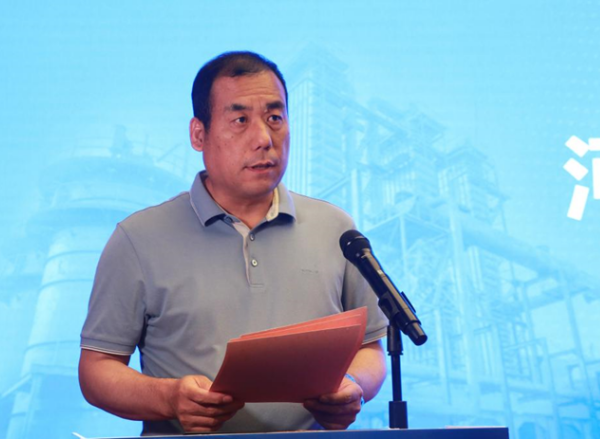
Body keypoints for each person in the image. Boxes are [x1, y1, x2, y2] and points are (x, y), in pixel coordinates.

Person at [79, 51, 388, 435]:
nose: (263, 139)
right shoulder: (138, 238)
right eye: (240, 120)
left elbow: (371, 347)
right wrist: (169, 398)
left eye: (275, 118)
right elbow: (97, 369)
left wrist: (354, 385)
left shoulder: (337, 229)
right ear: (199, 134)